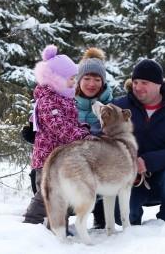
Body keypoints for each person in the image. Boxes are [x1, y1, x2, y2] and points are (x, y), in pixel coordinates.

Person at [113, 59, 165, 225]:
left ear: (158, 84)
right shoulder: (119, 107)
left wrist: (149, 161)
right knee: (123, 218)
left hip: (162, 178)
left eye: (144, 82)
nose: (137, 87)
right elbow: (106, 139)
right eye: (135, 82)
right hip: (129, 180)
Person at [23, 44, 92, 225]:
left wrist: (82, 128)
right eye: (70, 78)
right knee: (48, 192)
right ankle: (32, 221)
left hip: (61, 159)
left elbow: (69, 122)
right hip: (48, 158)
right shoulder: (47, 100)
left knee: (64, 195)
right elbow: (59, 126)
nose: (73, 82)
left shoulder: (64, 98)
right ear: (56, 78)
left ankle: (59, 226)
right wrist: (81, 136)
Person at [75, 47, 113, 229]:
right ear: (78, 80)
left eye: (97, 79)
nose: (92, 84)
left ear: (103, 82)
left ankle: (101, 215)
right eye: (87, 79)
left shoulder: (112, 105)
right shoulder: (65, 101)